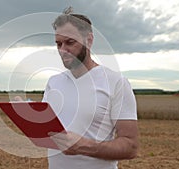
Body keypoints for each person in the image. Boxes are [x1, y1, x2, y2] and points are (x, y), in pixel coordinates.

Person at [42, 8, 138, 169]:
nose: (62, 50)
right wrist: (26, 114)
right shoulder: (54, 82)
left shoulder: (116, 83)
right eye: (58, 44)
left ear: (89, 40)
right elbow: (46, 132)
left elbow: (131, 146)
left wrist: (84, 146)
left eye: (70, 42)